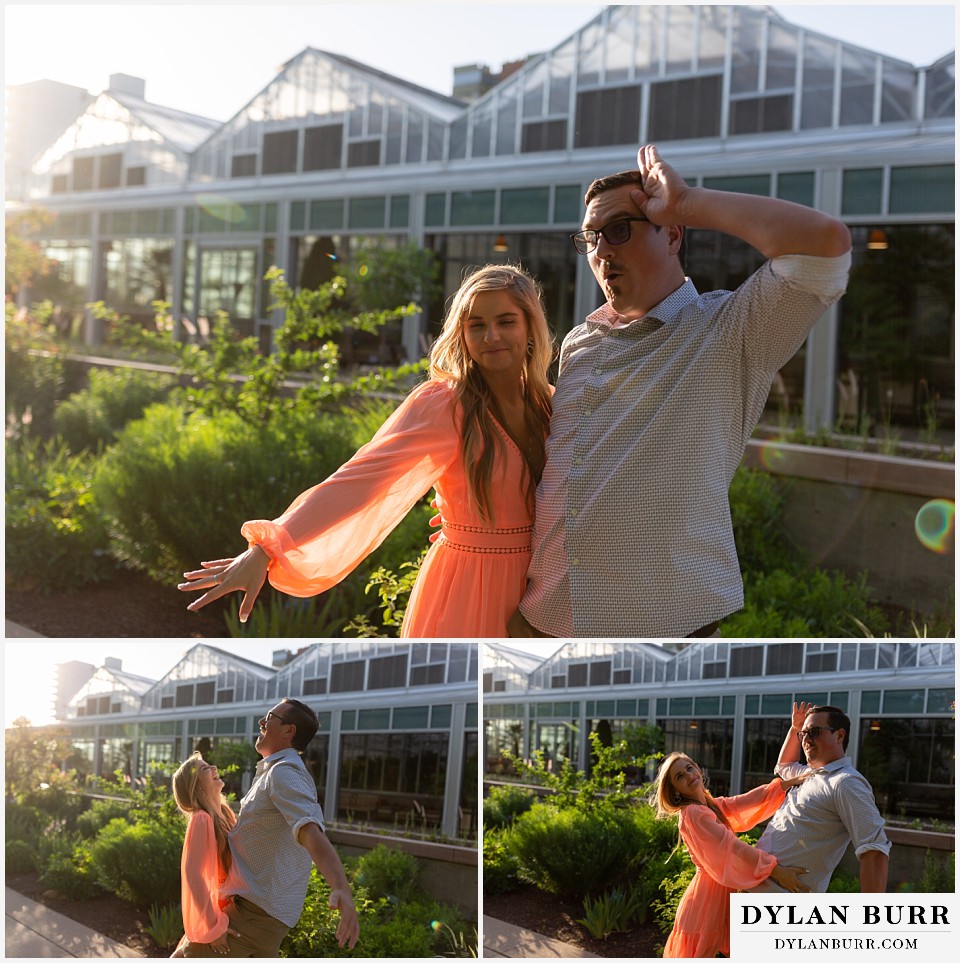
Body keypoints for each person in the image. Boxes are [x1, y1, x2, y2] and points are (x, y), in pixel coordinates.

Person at [509, 143, 852, 637]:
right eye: (590, 238)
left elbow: (825, 241)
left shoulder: (729, 330)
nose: (602, 250)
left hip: (666, 626)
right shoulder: (578, 343)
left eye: (619, 231)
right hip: (546, 617)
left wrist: (688, 201)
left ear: (671, 234)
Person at [178, 264, 553, 637]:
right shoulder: (444, 405)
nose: (491, 336)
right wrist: (268, 547)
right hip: (469, 583)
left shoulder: (553, 405)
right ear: (462, 332)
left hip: (543, 588)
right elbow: (360, 478)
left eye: (506, 322)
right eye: (476, 325)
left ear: (529, 327)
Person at [182, 698, 359, 957]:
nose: (261, 722)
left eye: (269, 717)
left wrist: (341, 887)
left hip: (254, 914)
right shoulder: (272, 773)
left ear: (289, 731)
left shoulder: (283, 773)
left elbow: (310, 831)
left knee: (191, 954)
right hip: (256, 913)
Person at [653, 752, 811, 959]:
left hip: (716, 895)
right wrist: (776, 871)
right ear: (675, 792)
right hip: (706, 902)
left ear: (699, 769)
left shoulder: (708, 806)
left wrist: (787, 783)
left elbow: (742, 803)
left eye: (689, 768)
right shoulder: (693, 813)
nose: (688, 775)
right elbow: (730, 846)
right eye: (679, 777)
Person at [752, 701, 891, 893]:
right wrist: (795, 728)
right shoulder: (807, 774)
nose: (806, 739)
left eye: (815, 732)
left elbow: (875, 851)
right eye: (804, 734)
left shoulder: (845, 782)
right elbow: (783, 766)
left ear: (839, 735)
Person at [170, 754, 238, 958]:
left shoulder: (225, 814)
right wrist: (214, 928)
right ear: (196, 787)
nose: (214, 768)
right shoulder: (202, 819)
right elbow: (194, 875)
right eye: (205, 769)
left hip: (228, 909)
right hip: (216, 915)